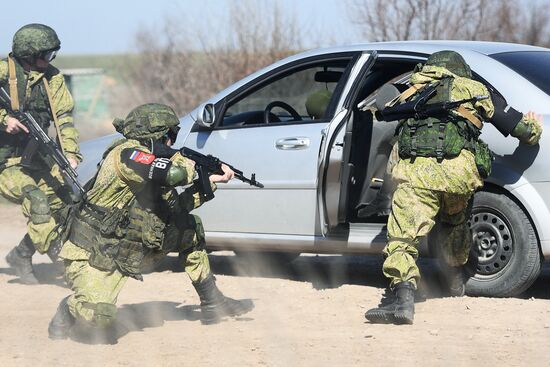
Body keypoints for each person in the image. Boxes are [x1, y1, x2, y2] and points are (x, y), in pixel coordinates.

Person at [48, 103, 254, 341]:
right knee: (99, 318)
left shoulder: (151, 165)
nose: (172, 143)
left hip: (132, 246)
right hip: (95, 253)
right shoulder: (127, 155)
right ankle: (67, 308)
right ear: (156, 135)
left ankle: (212, 300)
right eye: (170, 136)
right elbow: (174, 174)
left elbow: (175, 209)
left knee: (189, 227)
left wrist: (210, 181)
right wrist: (192, 164)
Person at [364, 50, 543, 325]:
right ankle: (456, 280)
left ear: (430, 68)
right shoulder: (475, 90)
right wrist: (534, 128)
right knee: (454, 223)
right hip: (459, 176)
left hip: (417, 175)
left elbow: (382, 116)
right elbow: (519, 127)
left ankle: (402, 299)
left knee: (403, 237)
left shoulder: (413, 89)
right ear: (460, 69)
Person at [1, 24, 81, 284]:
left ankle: (22, 254)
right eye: (44, 55)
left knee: (66, 205)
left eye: (51, 55)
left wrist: (70, 154)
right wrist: (4, 119)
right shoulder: (4, 72)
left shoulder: (52, 78)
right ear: (27, 54)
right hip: (5, 164)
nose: (49, 61)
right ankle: (64, 263)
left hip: (36, 159)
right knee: (37, 203)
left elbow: (64, 118)